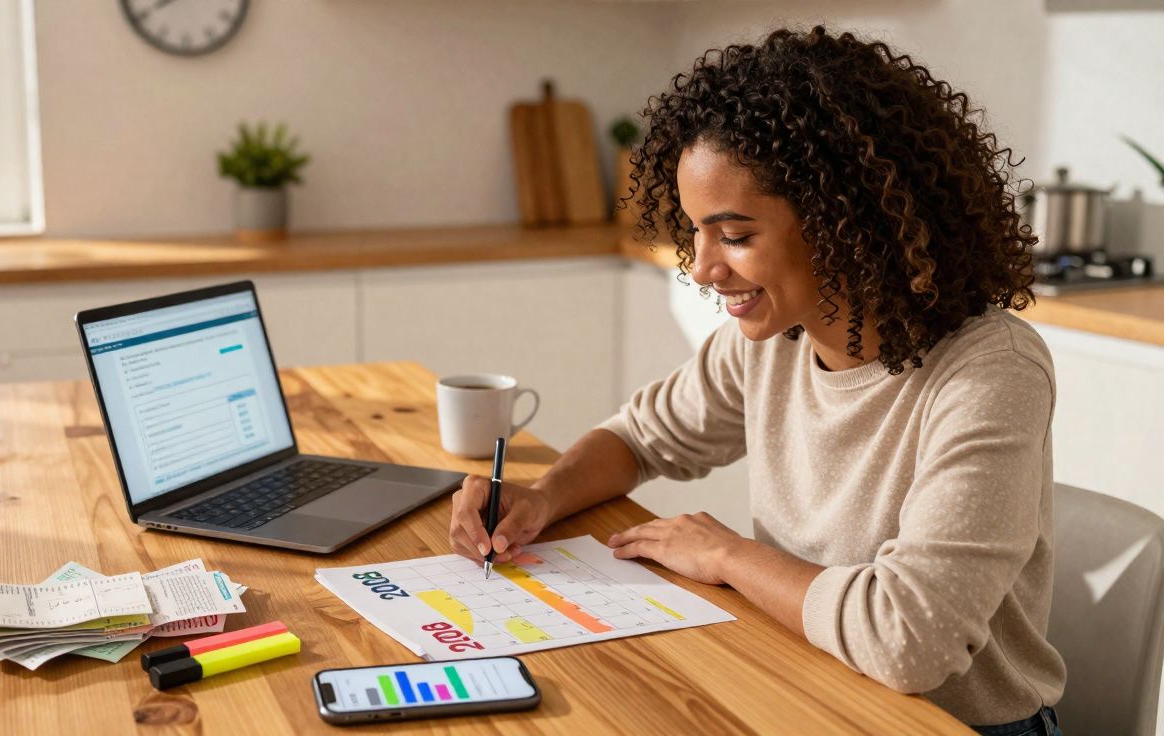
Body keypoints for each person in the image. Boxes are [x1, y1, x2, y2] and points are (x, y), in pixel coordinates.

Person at [448, 26, 1065, 735]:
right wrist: (543, 496)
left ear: (843, 221)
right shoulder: (771, 342)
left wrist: (727, 555)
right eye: (696, 233)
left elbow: (909, 640)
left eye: (734, 236)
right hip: (812, 687)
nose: (703, 268)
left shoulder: (990, 371)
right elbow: (641, 438)